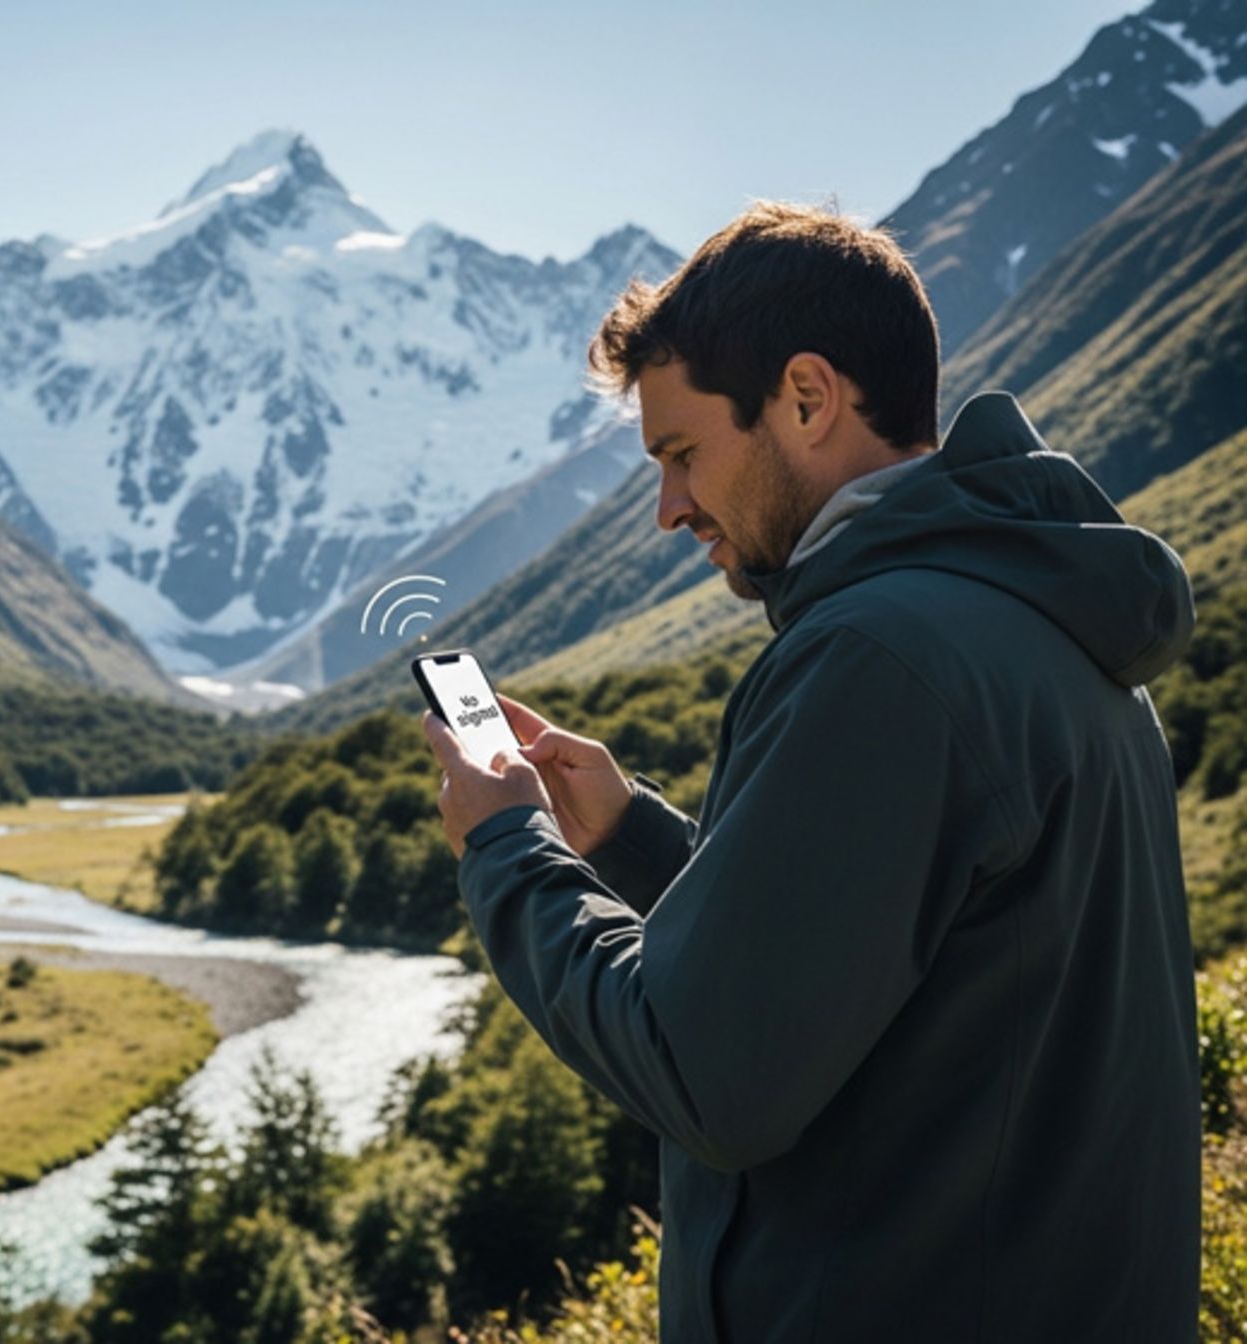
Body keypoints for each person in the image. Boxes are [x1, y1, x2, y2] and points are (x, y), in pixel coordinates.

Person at [422, 201, 1200, 1342]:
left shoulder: (876, 657)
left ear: (805, 397)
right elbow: (893, 952)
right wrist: (630, 836)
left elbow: (703, 1076)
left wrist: (505, 845)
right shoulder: (1045, 622)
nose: (667, 509)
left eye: (682, 452)